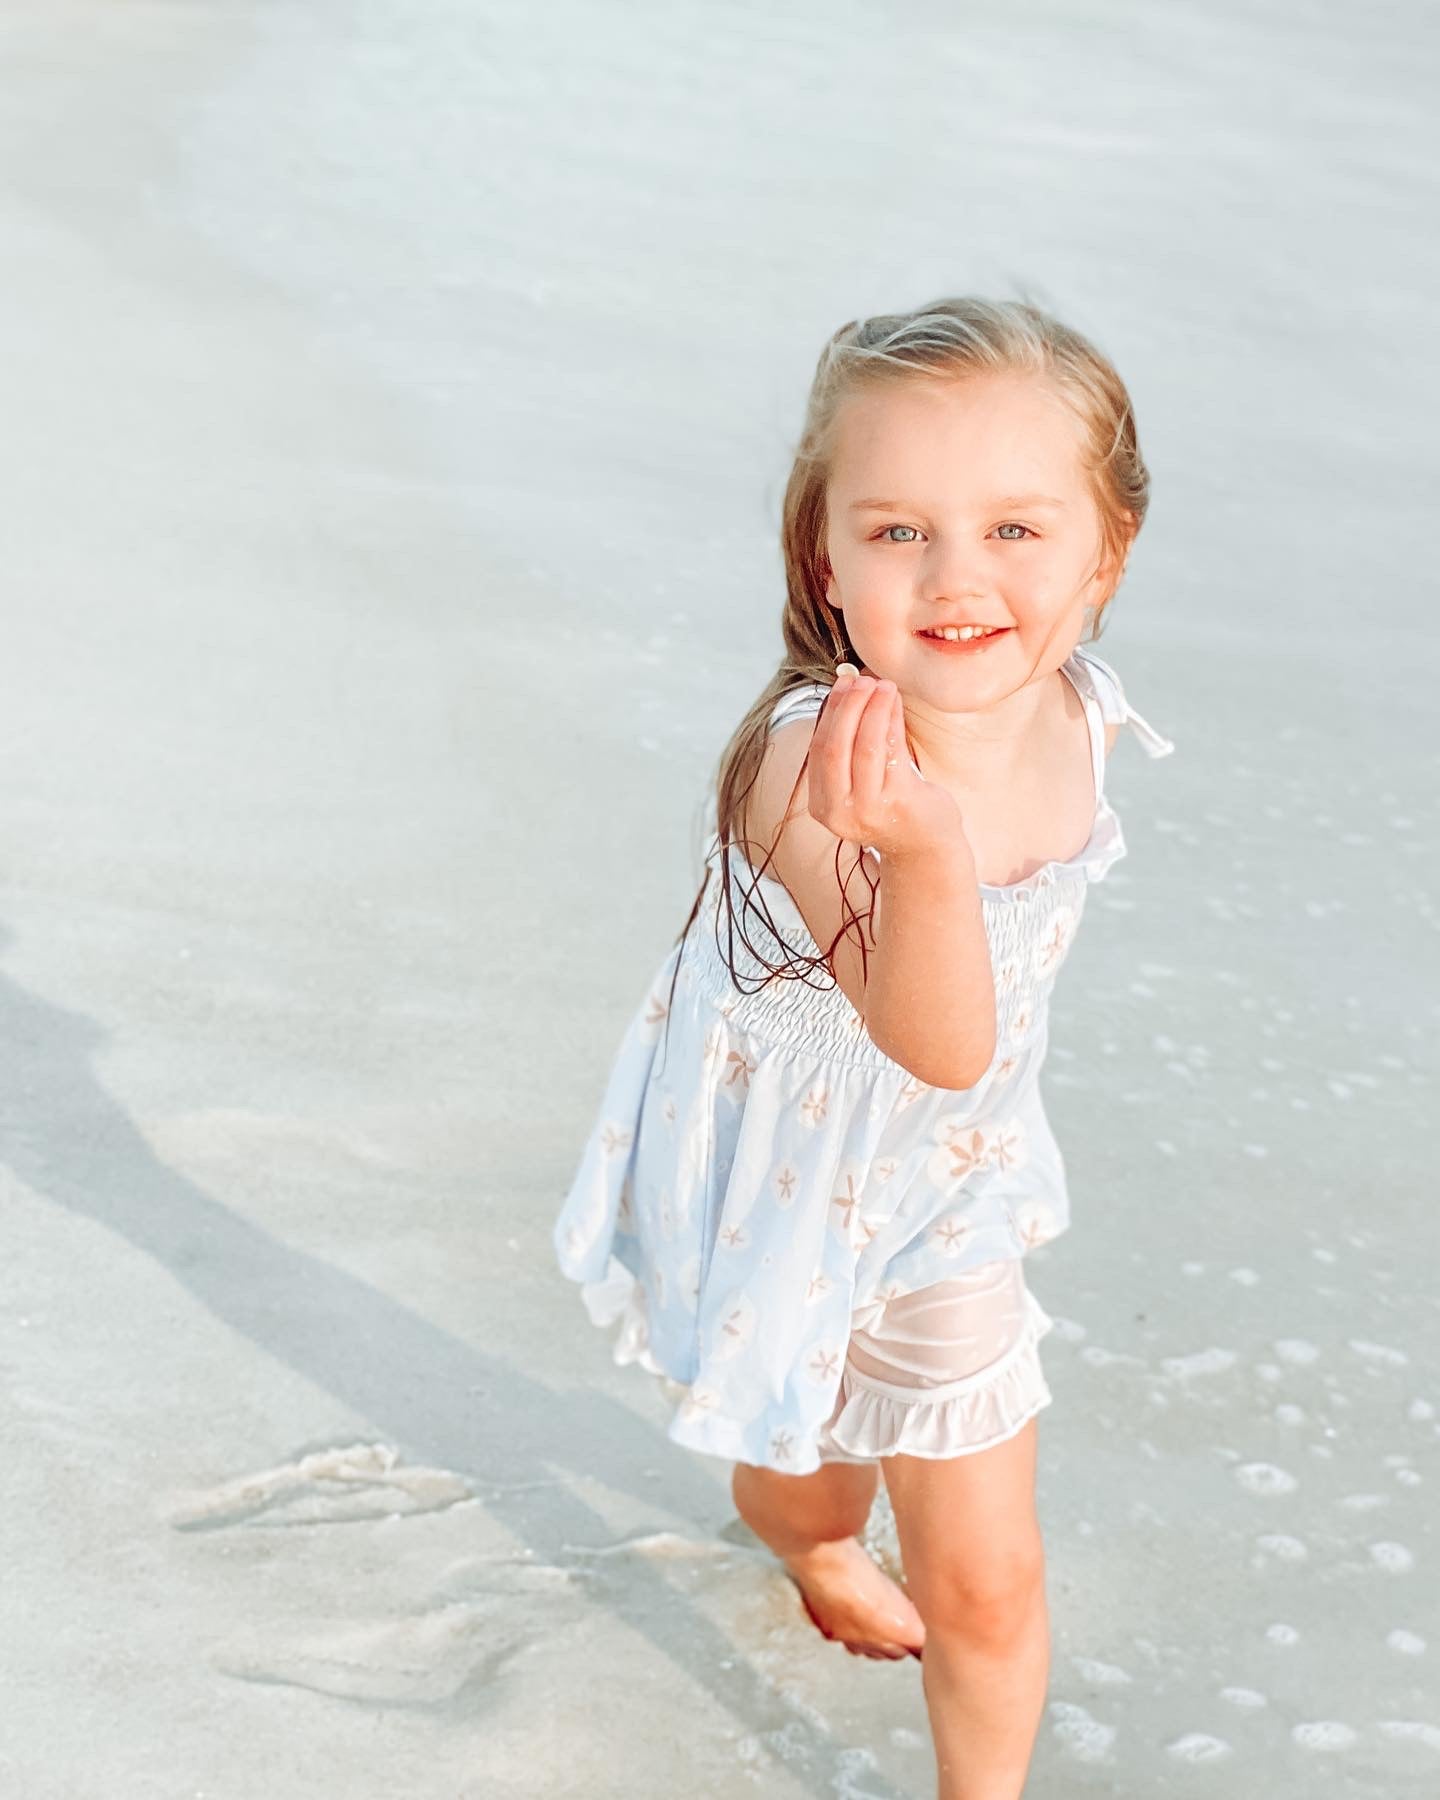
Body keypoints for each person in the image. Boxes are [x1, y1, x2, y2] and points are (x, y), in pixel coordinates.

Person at [552, 295, 1175, 1799]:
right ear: (824, 559)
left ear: (1109, 551)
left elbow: (965, 1087)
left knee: (985, 1581)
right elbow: (937, 1034)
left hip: (949, 1198)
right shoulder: (806, 774)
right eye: (899, 533)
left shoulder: (1076, 711)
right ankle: (818, 1545)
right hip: (790, 1184)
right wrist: (928, 850)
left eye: (1018, 531)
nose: (959, 578)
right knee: (801, 1485)